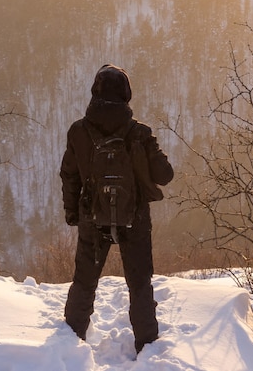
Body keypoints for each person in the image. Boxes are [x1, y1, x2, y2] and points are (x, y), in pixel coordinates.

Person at [59, 64, 174, 354]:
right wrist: (152, 151)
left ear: (95, 92)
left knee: (84, 282)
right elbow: (165, 175)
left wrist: (73, 213)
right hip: (134, 217)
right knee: (139, 284)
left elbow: (69, 175)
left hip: (91, 217)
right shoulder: (140, 133)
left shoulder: (78, 132)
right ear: (126, 94)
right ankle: (147, 348)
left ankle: (68, 345)